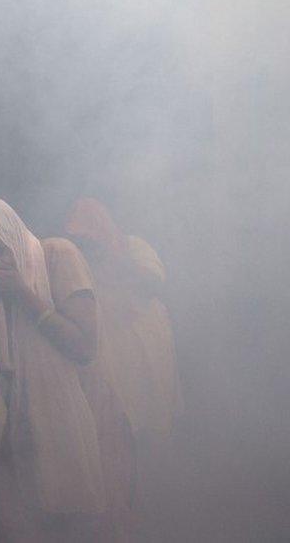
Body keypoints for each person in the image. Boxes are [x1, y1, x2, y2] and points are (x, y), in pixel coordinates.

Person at [0, 198, 132, 542]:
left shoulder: (57, 255)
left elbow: (84, 347)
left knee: (83, 526)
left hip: (87, 419)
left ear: (13, 235)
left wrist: (21, 292)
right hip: (23, 425)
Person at [64, 198, 181, 509]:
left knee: (152, 423)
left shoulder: (133, 246)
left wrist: (113, 256)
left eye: (90, 234)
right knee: (115, 429)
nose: (86, 241)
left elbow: (154, 281)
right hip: (108, 355)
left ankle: (162, 497)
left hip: (146, 350)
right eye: (80, 237)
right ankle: (122, 506)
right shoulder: (77, 261)